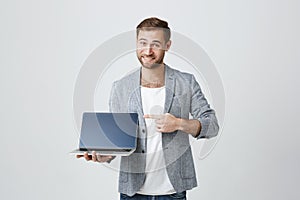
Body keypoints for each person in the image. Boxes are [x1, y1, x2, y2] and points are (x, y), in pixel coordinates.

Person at [77, 17, 219, 200]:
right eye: (142, 43)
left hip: (173, 191)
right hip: (132, 192)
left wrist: (179, 123)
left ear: (167, 45)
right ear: (136, 43)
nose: (148, 51)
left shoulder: (186, 82)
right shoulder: (120, 87)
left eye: (156, 44)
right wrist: (103, 155)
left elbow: (212, 124)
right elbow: (117, 143)